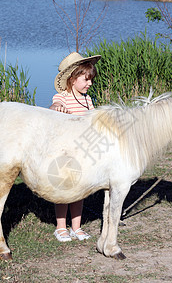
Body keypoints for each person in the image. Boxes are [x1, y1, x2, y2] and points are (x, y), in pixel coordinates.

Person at [49, 52, 101, 242]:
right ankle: (61, 227)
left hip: (83, 151)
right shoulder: (63, 96)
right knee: (64, 189)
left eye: (91, 80)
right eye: (86, 79)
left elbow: (94, 118)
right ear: (72, 79)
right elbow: (56, 104)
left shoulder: (87, 99)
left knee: (79, 191)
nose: (90, 84)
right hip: (66, 151)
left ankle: (76, 227)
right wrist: (57, 108)